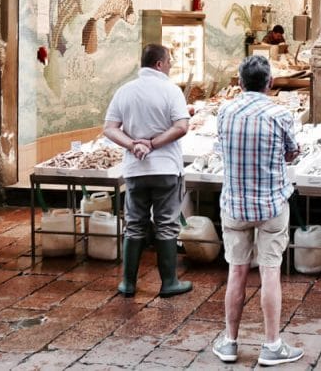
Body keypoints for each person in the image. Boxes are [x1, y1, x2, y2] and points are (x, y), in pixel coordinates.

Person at [211, 55, 304, 366]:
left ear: (239, 83)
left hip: (235, 205)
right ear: (270, 83)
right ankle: (272, 345)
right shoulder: (280, 114)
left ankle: (230, 342)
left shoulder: (225, 112)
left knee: (236, 271)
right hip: (271, 205)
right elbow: (292, 154)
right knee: (269, 272)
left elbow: (220, 148)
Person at [103, 43, 192, 298]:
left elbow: (110, 128)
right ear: (159, 64)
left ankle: (128, 283)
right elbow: (182, 127)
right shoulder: (170, 90)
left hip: (135, 170)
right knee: (165, 224)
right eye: (170, 62)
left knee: (134, 224)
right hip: (165, 169)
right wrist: (153, 144)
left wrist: (133, 145)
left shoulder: (125, 91)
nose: (171, 66)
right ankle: (169, 282)